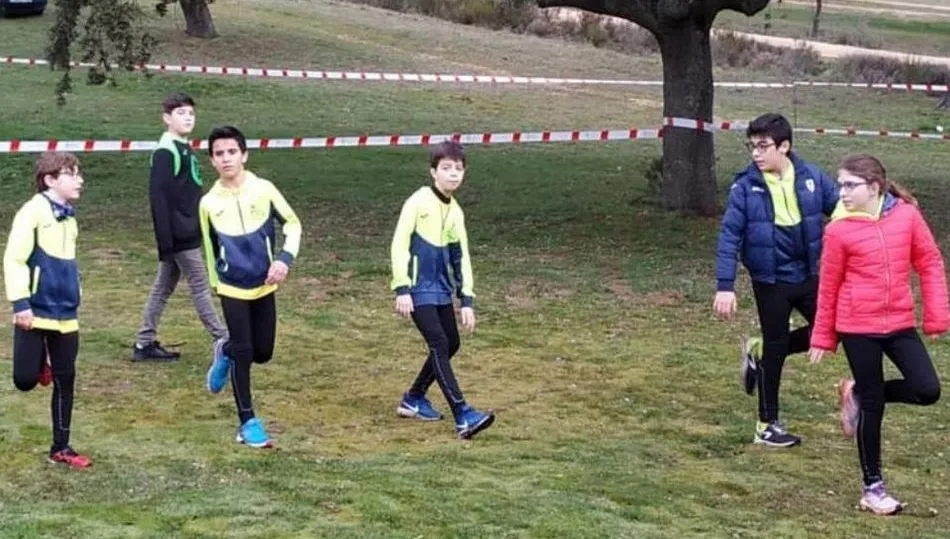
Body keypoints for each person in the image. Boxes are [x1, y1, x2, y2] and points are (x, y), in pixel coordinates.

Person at [808, 153, 947, 516]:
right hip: (858, 327)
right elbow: (829, 286)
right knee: (874, 406)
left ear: (874, 187)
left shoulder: (907, 216)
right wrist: (823, 336)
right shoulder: (838, 230)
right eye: (840, 184)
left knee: (927, 390)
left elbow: (929, 263)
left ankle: (856, 393)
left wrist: (936, 316)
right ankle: (873, 488)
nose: (842, 192)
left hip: (899, 323)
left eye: (849, 185)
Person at [713, 113, 838, 447]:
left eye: (763, 146)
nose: (755, 153)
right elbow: (728, 238)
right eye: (752, 146)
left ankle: (759, 350)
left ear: (784, 146)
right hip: (770, 281)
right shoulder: (745, 187)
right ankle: (767, 425)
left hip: (808, 275)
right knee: (778, 350)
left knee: (830, 329)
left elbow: (843, 208)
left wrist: (885, 211)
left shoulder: (812, 176)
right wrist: (725, 287)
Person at [199, 125, 301, 448]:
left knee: (263, 352)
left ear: (244, 155)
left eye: (232, 152)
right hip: (231, 288)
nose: (226, 159)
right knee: (245, 352)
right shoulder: (208, 203)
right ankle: (247, 421)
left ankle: (224, 350)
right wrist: (217, 286)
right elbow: (210, 247)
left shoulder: (265, 189)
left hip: (264, 285)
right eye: (219, 154)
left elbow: (294, 224)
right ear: (212, 161)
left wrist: (284, 259)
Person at [390, 140, 494, 440]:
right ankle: (463, 414)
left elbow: (461, 256)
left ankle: (414, 398)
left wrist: (467, 300)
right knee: (438, 343)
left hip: (441, 290)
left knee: (451, 344)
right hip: (417, 289)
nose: (453, 174)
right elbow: (399, 244)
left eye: (458, 169)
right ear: (433, 171)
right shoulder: (418, 202)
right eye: (446, 168)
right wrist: (402, 288)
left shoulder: (455, 212)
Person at [3, 152, 92, 468]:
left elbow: (69, 263)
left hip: (66, 314)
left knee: (66, 380)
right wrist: (21, 303)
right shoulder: (32, 212)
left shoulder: (70, 216)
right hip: (35, 311)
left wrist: (75, 291)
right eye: (72, 173)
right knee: (25, 379)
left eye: (78, 173)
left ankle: (61, 446)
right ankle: (43, 361)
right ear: (50, 179)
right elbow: (14, 259)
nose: (79, 179)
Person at [132, 91, 228, 362]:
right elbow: (159, 197)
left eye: (191, 113)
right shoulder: (166, 151)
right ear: (166, 119)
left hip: (186, 231)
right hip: (179, 236)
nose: (187, 118)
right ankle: (223, 338)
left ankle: (143, 343)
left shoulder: (183, 147)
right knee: (200, 284)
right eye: (180, 113)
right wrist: (166, 242)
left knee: (162, 287)